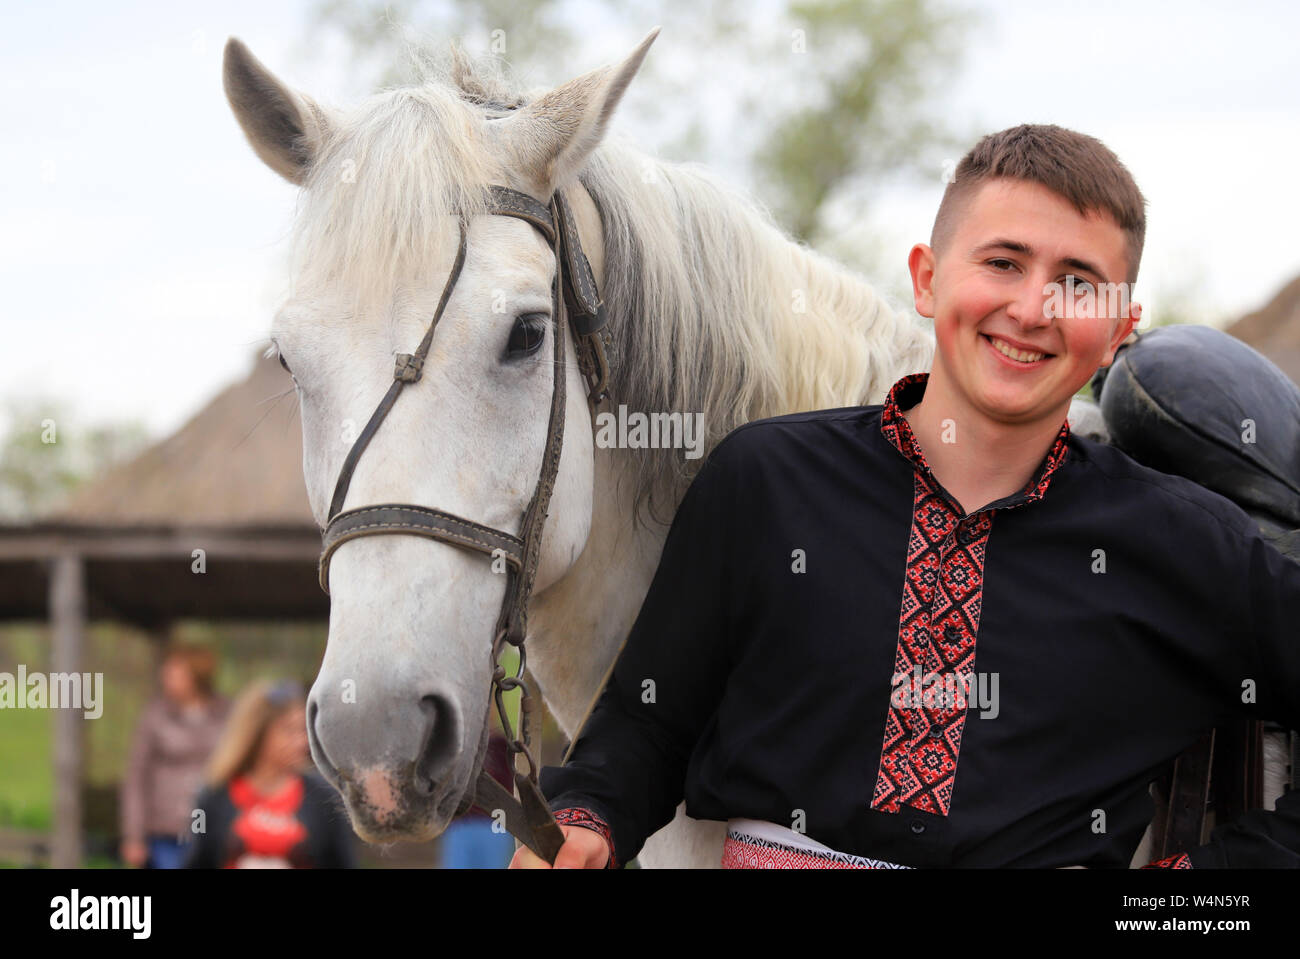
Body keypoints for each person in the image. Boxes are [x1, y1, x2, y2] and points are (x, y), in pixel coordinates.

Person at [511, 123, 1300, 869]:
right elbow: (650, 721)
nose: (1031, 309)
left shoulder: (1182, 541)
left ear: (1122, 323)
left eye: (1078, 283)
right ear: (927, 278)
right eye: (1002, 262)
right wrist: (590, 815)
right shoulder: (766, 481)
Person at [184, 679, 356, 868]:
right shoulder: (213, 795)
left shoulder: (324, 797)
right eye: (288, 730)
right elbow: (197, 861)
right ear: (256, 733)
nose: (301, 742)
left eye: (302, 731)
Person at [120, 641, 230, 869]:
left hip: (214, 826)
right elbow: (136, 778)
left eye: (175, 674)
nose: (167, 680)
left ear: (197, 676)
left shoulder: (227, 713)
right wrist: (134, 836)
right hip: (166, 831)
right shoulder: (155, 716)